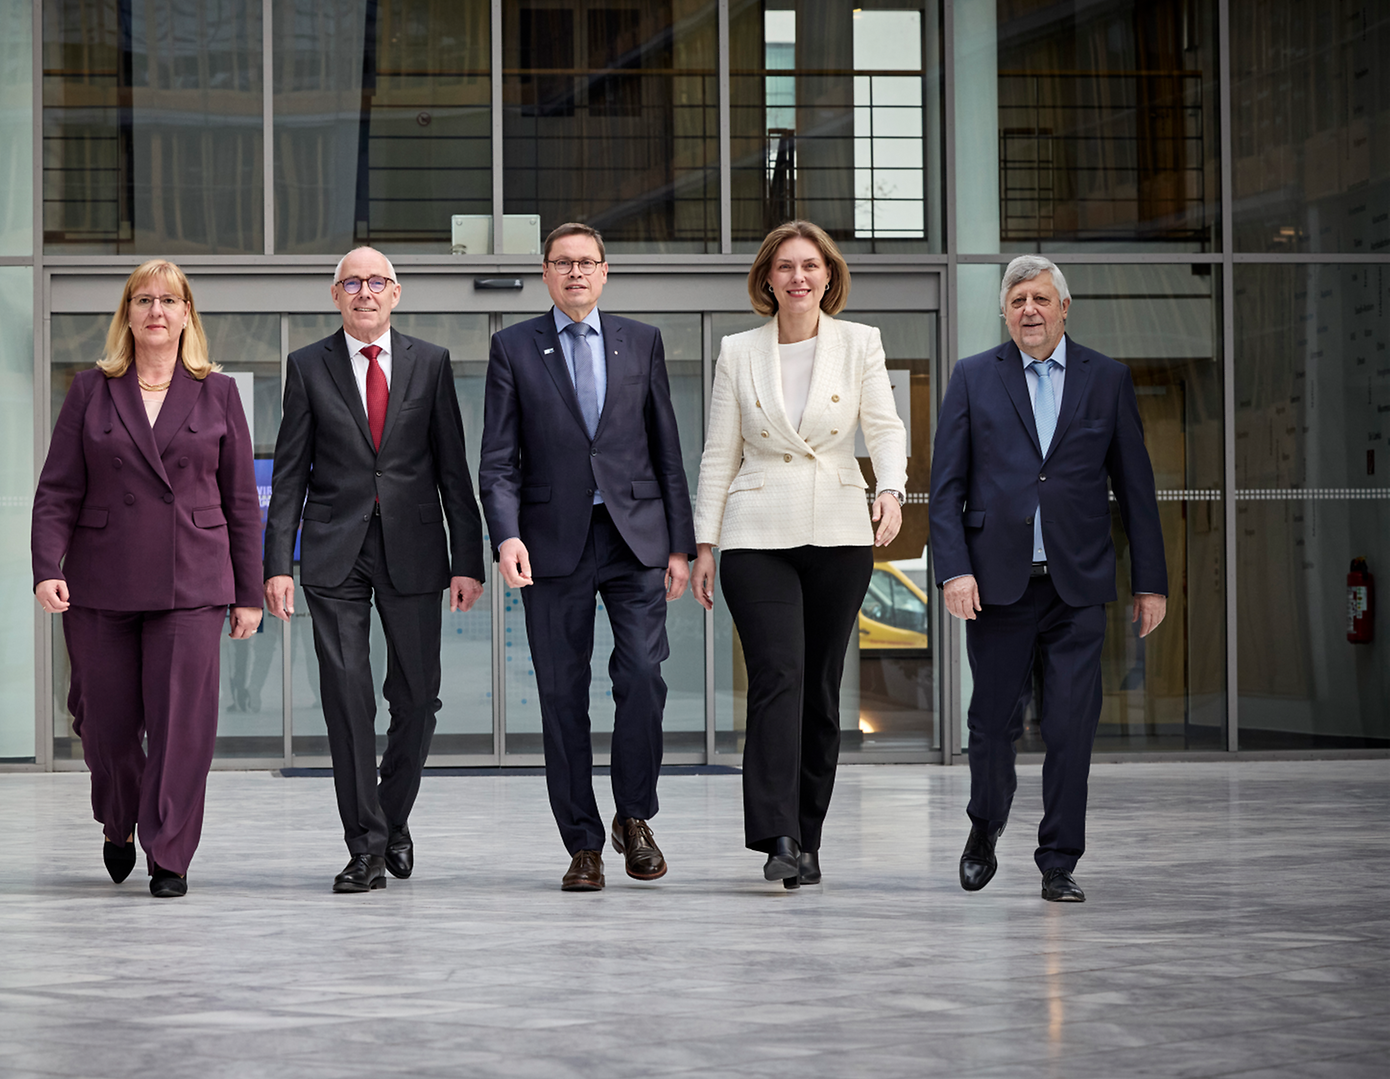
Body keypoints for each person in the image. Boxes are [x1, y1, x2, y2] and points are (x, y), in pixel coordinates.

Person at [929, 256, 1167, 903]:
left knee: (1069, 727)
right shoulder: (974, 378)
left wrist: (1152, 582)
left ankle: (1058, 860)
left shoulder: (1106, 380)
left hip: (1077, 586)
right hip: (997, 586)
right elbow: (944, 488)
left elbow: (1136, 488)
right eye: (1016, 301)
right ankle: (985, 824)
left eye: (1039, 298)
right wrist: (953, 569)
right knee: (991, 725)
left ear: (1065, 307)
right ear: (1005, 313)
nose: (1028, 310)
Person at [31, 259, 264, 899]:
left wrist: (249, 592)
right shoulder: (91, 390)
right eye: (143, 300)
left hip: (192, 580)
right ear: (127, 315)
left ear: (187, 313)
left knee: (180, 722)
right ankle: (117, 818)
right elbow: (57, 490)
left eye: (168, 300)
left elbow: (242, 500)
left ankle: (170, 851)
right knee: (101, 721)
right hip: (101, 580)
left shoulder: (216, 393)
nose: (155, 311)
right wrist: (45, 568)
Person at [479, 222, 696, 892]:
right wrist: (506, 535)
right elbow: (498, 461)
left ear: (606, 272)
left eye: (587, 262)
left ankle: (634, 817)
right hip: (551, 546)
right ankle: (582, 843)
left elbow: (666, 452)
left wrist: (681, 546)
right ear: (546, 274)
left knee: (643, 676)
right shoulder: (513, 347)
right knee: (560, 695)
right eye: (562, 263)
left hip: (635, 541)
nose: (575, 273)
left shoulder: (642, 341)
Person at [690, 220, 908, 889]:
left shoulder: (859, 343)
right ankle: (776, 834)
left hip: (840, 533)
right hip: (758, 534)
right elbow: (720, 451)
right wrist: (705, 543)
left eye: (810, 265)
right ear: (767, 278)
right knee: (778, 678)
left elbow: (884, 425)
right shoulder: (738, 351)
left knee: (819, 689)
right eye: (785, 266)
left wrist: (893, 491)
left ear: (829, 275)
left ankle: (808, 838)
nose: (798, 277)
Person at [263, 247, 486, 893]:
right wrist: (279, 561)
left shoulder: (431, 363)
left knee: (417, 700)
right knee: (348, 697)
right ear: (335, 295)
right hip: (335, 552)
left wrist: (466, 560)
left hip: (416, 551)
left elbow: (453, 470)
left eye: (377, 281)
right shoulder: (308, 366)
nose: (365, 291)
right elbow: (289, 475)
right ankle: (365, 845)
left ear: (396, 293)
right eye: (352, 282)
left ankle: (391, 816)